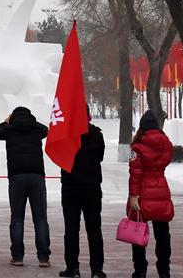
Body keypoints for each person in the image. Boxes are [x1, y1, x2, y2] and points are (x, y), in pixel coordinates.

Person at [0, 106, 51, 268]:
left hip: (16, 176)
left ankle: (17, 256)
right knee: (40, 218)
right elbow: (46, 130)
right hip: (37, 176)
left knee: (17, 218)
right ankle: (43, 257)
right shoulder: (36, 129)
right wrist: (32, 122)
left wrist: (7, 122)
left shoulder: (9, 130)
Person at [59, 109, 106, 278]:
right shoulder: (96, 134)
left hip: (70, 186)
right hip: (91, 186)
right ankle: (97, 270)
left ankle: (73, 268)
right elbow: (100, 156)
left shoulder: (66, 134)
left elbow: (60, 154)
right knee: (94, 230)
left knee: (71, 230)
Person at [127, 110, 174, 278]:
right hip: (161, 189)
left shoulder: (138, 147)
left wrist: (134, 196)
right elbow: (166, 160)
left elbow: (135, 174)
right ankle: (164, 269)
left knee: (138, 231)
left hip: (142, 192)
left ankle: (140, 270)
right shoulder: (166, 144)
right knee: (162, 233)